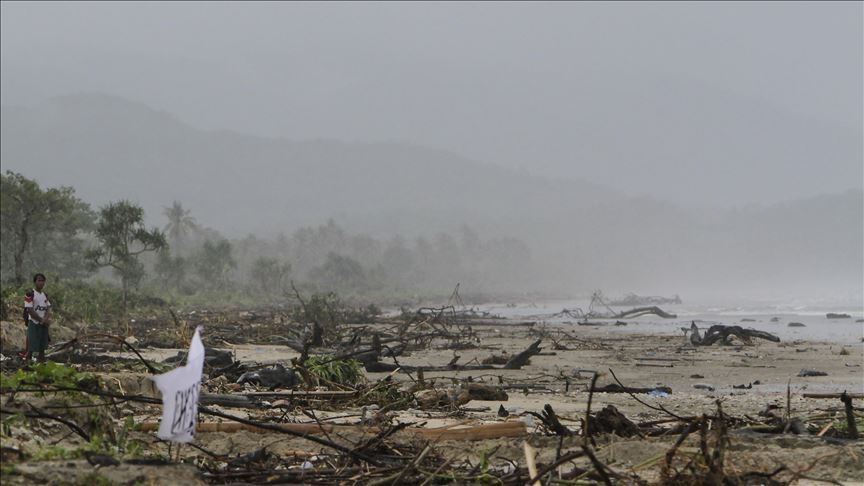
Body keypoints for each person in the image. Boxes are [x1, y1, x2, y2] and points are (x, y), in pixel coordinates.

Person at [24, 273, 52, 363]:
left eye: (43, 281)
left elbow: (48, 308)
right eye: (39, 280)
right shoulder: (30, 294)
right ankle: (26, 365)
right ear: (35, 282)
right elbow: (30, 310)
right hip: (34, 322)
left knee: (42, 347)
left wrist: (46, 319)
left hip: (43, 324)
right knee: (31, 346)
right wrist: (41, 320)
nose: (41, 283)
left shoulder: (45, 295)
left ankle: (41, 365)